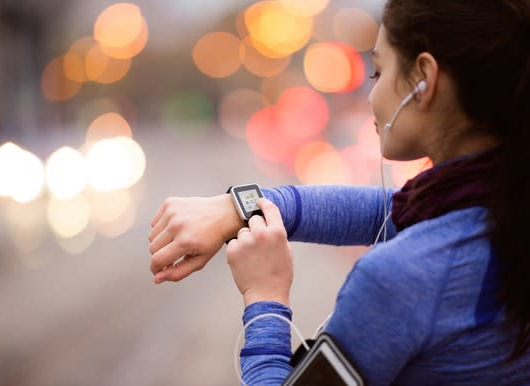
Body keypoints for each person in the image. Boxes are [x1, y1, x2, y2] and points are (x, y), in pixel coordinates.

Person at [148, 0, 530, 384]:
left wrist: (265, 297)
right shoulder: (502, 206)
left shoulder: (399, 280)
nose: (370, 97)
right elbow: (389, 212)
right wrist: (241, 207)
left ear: (424, 80)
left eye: (377, 73)